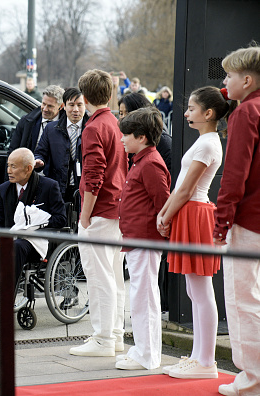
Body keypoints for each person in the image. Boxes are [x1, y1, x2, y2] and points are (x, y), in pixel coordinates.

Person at [156, 86, 232, 379]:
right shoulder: (207, 141)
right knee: (195, 289)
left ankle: (206, 360)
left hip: (195, 213)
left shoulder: (208, 144)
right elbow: (182, 188)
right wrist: (167, 212)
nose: (186, 113)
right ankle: (200, 357)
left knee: (200, 290)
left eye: (190, 108)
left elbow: (185, 189)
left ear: (208, 113)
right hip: (191, 211)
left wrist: (165, 214)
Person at [0, 148, 66, 323]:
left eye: (14, 167)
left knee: (15, 247)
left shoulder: (48, 186)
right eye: (8, 166)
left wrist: (35, 221)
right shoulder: (3, 189)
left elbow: (61, 218)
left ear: (28, 168)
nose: (8, 170)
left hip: (37, 241)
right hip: (12, 238)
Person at [69, 69, 128, 357]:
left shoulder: (93, 128)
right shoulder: (115, 123)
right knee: (115, 276)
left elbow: (93, 175)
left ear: (85, 96)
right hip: (117, 209)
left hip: (100, 211)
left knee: (98, 275)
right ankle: (115, 335)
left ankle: (103, 338)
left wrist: (85, 215)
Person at [213, 45, 260, 396]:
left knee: (244, 300)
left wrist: (221, 223)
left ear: (247, 79)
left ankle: (251, 379)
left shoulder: (245, 113)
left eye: (229, 76)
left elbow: (235, 174)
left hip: (249, 220)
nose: (225, 82)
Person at [115, 107, 170, 370]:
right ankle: (142, 351)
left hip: (145, 239)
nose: (122, 139)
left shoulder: (150, 163)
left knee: (144, 298)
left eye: (126, 134)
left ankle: (147, 355)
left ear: (141, 136)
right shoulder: (143, 160)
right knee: (140, 296)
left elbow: (163, 203)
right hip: (139, 237)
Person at [34, 87, 90, 202]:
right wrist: (39, 161)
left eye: (79, 105)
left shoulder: (92, 129)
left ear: (86, 106)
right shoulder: (51, 129)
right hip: (57, 188)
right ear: (64, 106)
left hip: (85, 189)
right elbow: (40, 152)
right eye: (71, 105)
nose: (75, 109)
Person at [118, 93, 172, 173]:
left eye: (128, 113)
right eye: (121, 113)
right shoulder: (131, 140)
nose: (123, 118)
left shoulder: (162, 142)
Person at [8, 85, 65, 154]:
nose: (45, 109)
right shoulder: (26, 122)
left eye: (50, 106)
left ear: (61, 106)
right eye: (43, 104)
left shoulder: (67, 124)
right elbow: (13, 152)